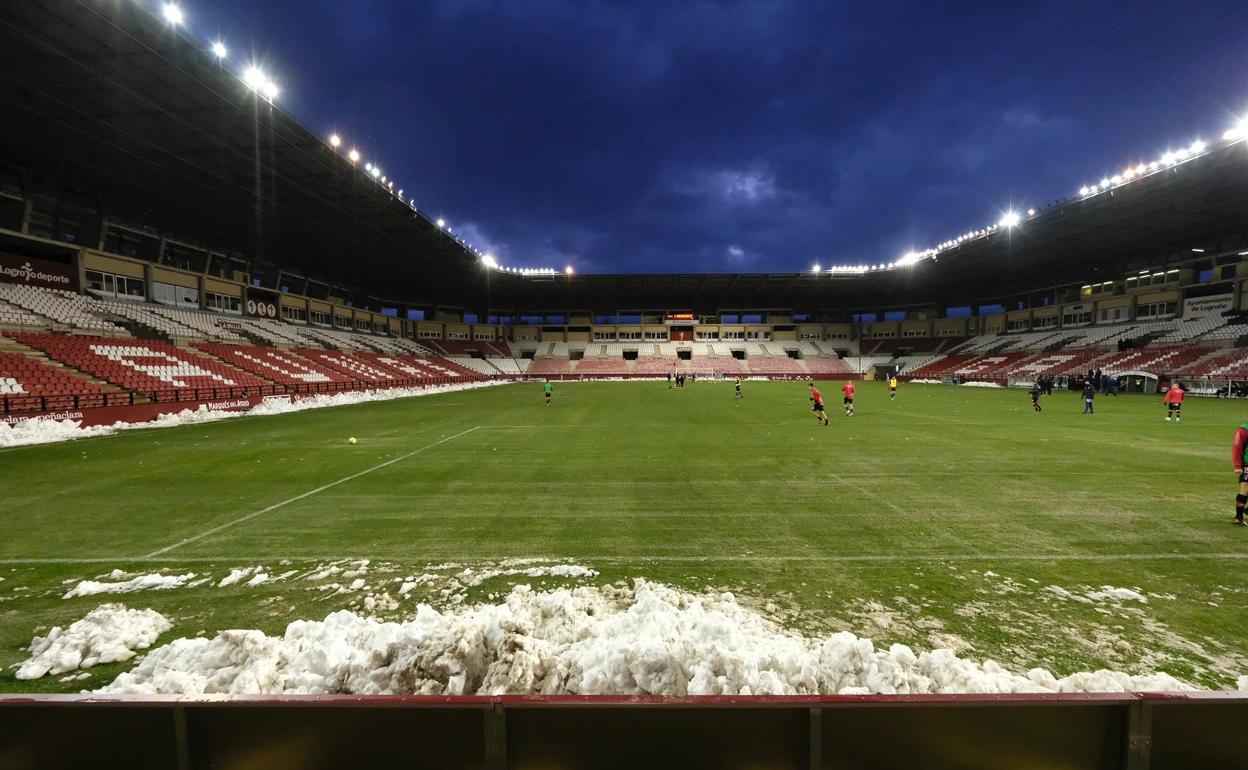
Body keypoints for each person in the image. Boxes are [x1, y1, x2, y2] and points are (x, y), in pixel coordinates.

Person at [1232, 423, 1248, 526]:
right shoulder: (1243, 430)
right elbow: (1237, 447)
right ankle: (1239, 518)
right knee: (1245, 489)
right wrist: (1238, 465)